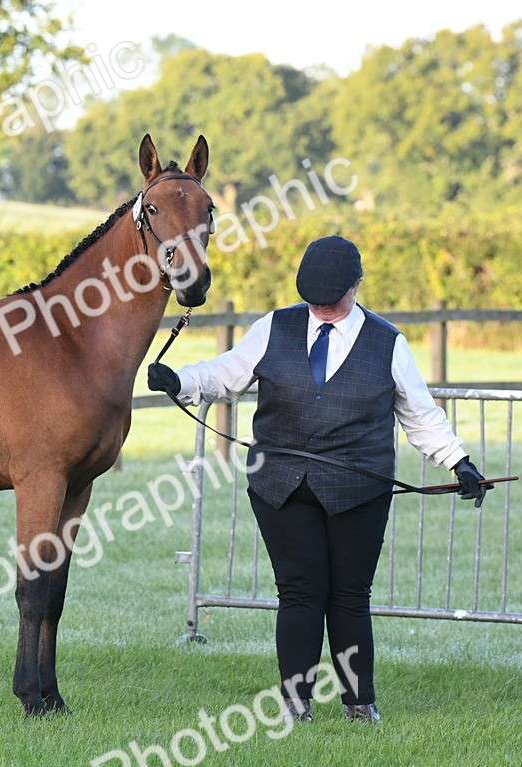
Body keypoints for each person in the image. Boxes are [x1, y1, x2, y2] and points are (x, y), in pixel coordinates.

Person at [148, 235, 488, 724]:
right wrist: (179, 380)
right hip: (280, 487)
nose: (324, 310)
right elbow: (226, 373)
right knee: (301, 592)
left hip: (359, 491)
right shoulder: (275, 327)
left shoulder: (388, 342)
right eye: (315, 301)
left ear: (357, 285)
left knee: (350, 596)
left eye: (333, 301)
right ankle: (295, 703)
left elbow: (419, 414)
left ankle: (359, 701)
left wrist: (459, 462)